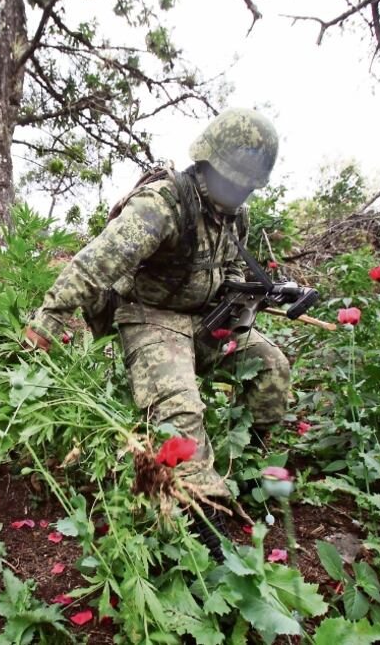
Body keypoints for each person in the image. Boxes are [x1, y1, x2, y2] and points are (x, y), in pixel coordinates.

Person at [24, 108, 290, 557]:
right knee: (178, 411)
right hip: (151, 317)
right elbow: (98, 260)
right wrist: (49, 316)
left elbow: (222, 272)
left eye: (247, 184)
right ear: (208, 164)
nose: (240, 190)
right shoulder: (163, 204)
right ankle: (203, 515)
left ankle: (246, 461)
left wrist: (262, 294)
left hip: (206, 319)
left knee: (272, 368)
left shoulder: (235, 218)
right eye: (234, 179)